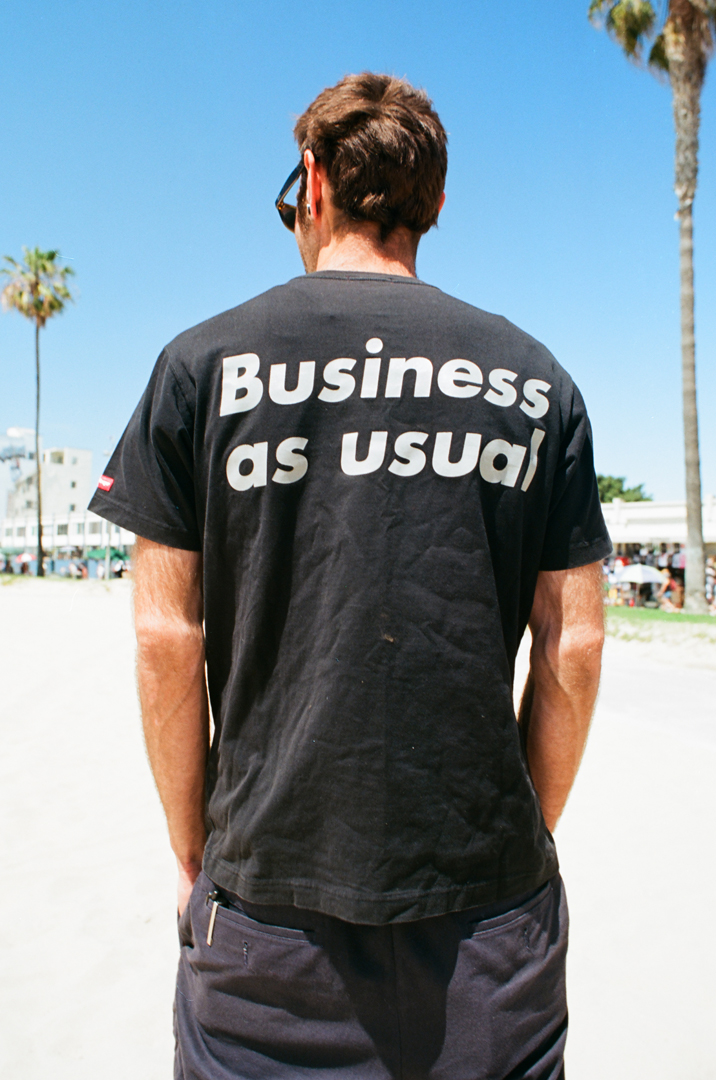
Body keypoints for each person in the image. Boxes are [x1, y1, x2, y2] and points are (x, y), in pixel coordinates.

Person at [89, 74, 610, 1080]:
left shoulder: (201, 363)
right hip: (488, 924)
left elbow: (164, 633)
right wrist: (524, 833)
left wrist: (195, 848)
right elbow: (574, 641)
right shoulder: (536, 379)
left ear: (313, 182)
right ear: (436, 202)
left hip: (266, 918)